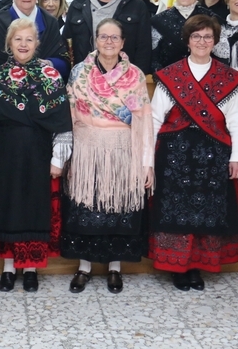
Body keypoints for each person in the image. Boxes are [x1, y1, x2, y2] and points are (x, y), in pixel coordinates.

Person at [150, 15, 238, 291]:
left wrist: (236, 157)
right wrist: (148, 160)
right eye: (196, 36)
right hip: (174, 157)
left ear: (215, 41)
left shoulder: (227, 77)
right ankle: (177, 268)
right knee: (176, 211)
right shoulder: (171, 75)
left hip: (214, 156)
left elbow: (236, 120)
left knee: (208, 213)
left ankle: (197, 268)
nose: (201, 41)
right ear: (187, 40)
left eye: (207, 37)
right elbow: (156, 119)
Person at [0, 19, 73, 292]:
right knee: (6, 207)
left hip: (38, 152)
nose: (23, 44)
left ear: (37, 44)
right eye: (18, 39)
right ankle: (8, 267)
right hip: (2, 152)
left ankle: (31, 268)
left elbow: (62, 121)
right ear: (9, 43)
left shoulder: (50, 76)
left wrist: (58, 159)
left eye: (29, 40)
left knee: (34, 208)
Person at [61, 18, 154, 294]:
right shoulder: (79, 72)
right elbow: (71, 113)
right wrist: (69, 154)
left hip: (123, 149)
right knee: (86, 207)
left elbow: (144, 120)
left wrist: (146, 162)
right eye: (104, 37)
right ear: (96, 40)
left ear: (123, 42)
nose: (109, 42)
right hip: (87, 148)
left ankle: (115, 267)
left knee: (119, 206)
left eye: (115, 38)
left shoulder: (135, 75)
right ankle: (84, 267)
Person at [64, 0, 153, 74]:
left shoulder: (137, 7)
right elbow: (66, 47)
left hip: (125, 82)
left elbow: (144, 50)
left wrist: (136, 80)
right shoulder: (77, 6)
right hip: (85, 82)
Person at [150, 0, 219, 72]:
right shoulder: (157, 21)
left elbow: (221, 56)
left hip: (206, 79)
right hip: (169, 81)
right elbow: (152, 57)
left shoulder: (211, 18)